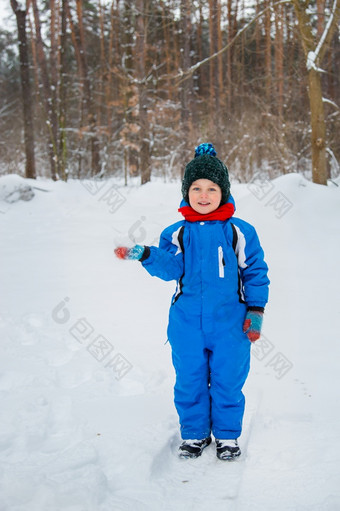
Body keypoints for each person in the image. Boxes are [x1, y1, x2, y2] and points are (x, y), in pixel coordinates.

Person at [115, 143, 269, 460]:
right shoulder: (176, 233)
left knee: (228, 380)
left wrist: (255, 311)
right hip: (186, 324)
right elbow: (171, 269)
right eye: (196, 188)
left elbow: (255, 271)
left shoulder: (239, 231)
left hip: (230, 325)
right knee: (190, 380)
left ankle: (227, 436)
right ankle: (195, 434)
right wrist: (145, 254)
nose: (203, 195)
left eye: (211, 188)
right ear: (186, 192)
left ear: (223, 192)